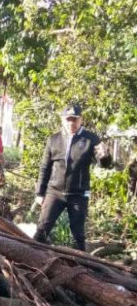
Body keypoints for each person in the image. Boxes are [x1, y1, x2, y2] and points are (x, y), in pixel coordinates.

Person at [33, 104, 111, 251]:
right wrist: (39, 193)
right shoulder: (53, 139)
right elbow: (45, 168)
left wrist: (105, 156)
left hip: (78, 194)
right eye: (68, 119)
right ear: (62, 120)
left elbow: (104, 164)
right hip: (54, 192)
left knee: (78, 235)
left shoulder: (91, 139)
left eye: (75, 119)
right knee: (41, 230)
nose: (71, 123)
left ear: (81, 120)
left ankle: (84, 267)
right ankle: (33, 259)